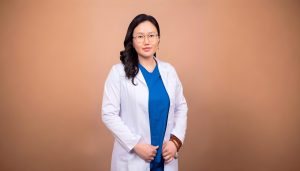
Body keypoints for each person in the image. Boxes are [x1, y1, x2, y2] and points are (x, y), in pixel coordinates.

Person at [101, 14, 188, 171]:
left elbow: (181, 107)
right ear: (132, 41)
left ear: (158, 39)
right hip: (133, 158)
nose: (146, 41)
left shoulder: (169, 71)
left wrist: (175, 142)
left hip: (165, 158)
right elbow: (108, 114)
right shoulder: (118, 73)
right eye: (140, 36)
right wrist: (136, 145)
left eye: (151, 35)